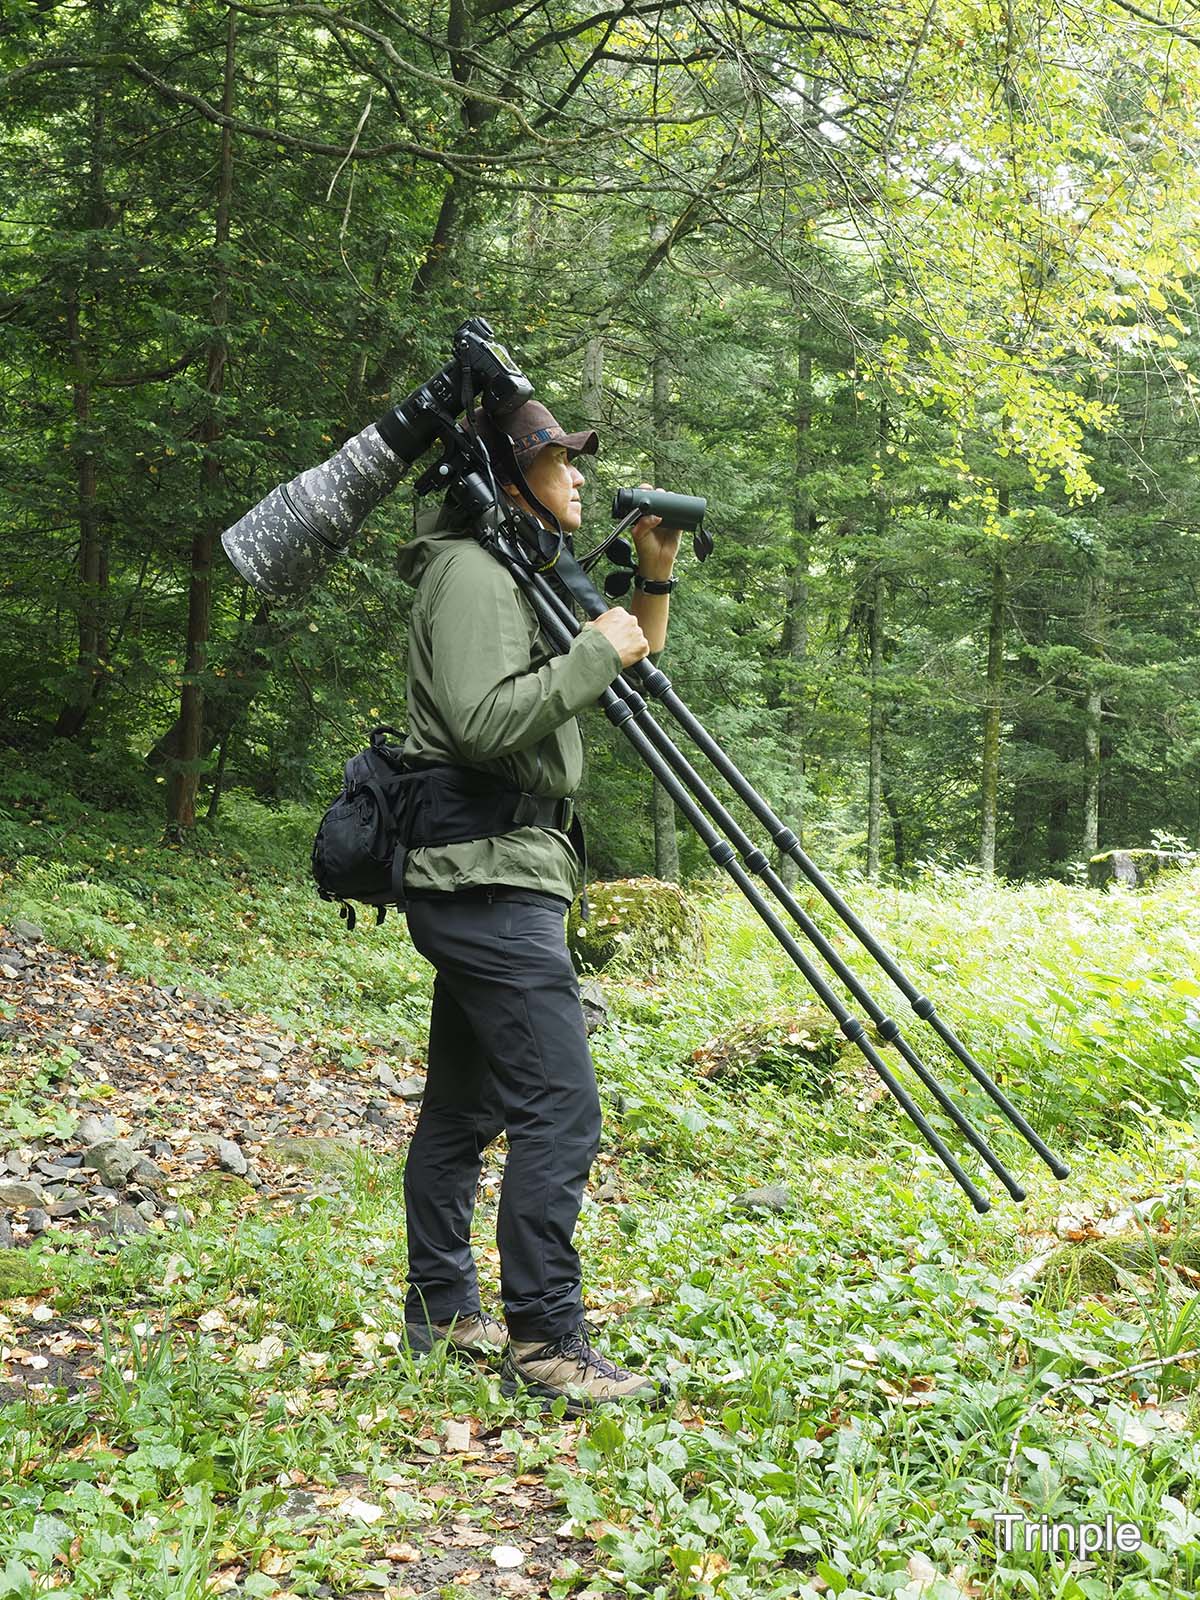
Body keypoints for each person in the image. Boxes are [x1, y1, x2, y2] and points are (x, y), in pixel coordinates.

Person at [393, 398, 680, 1414]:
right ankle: (546, 1340)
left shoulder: (519, 570)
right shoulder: (473, 573)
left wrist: (650, 579)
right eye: (561, 461)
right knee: (561, 1105)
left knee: (465, 1107)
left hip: (500, 871)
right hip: (484, 876)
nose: (578, 478)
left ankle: (441, 1309)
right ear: (510, 475)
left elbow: (626, 678)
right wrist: (595, 649)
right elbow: (478, 722)